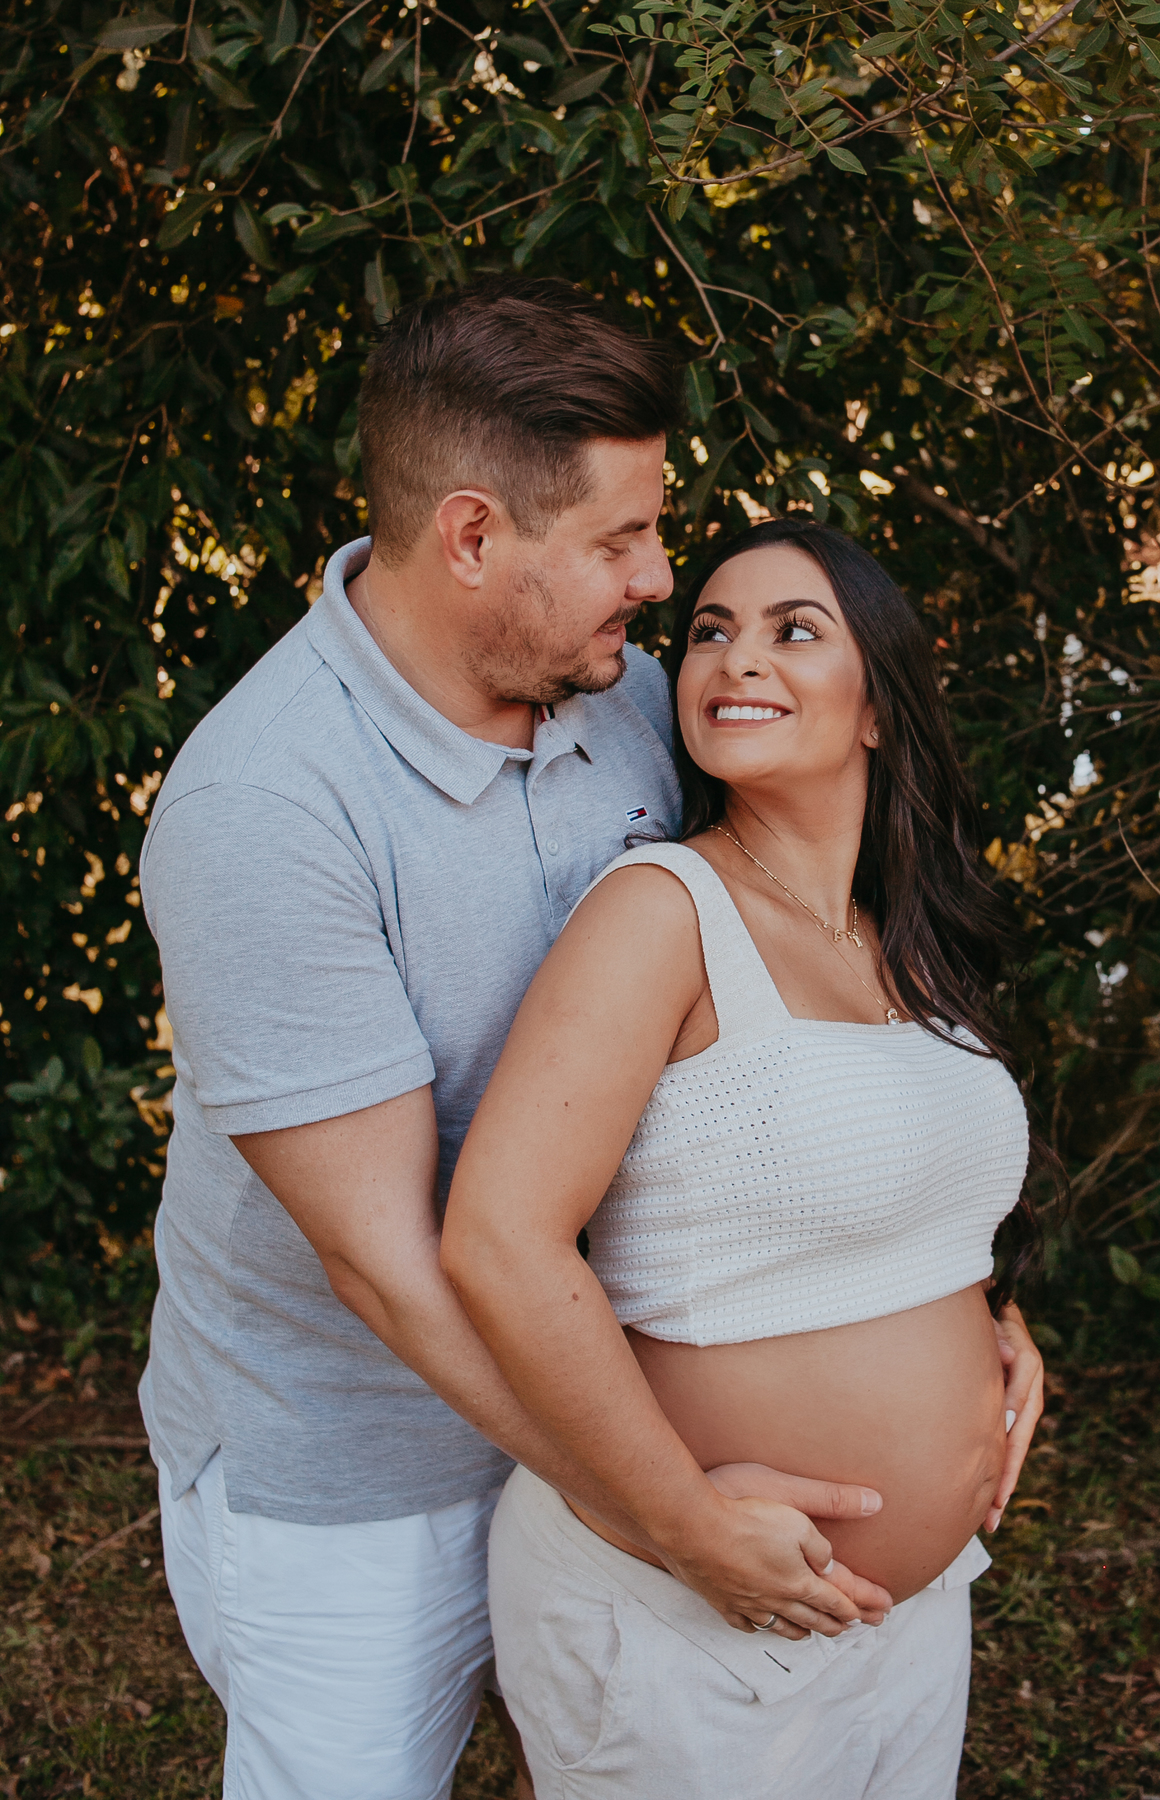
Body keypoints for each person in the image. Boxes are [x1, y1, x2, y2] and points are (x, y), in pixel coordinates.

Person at [137, 278, 697, 1800]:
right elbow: (385, 1261)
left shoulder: (629, 694)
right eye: (617, 541)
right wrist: (664, 1509)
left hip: (606, 1406)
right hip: (360, 1480)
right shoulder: (267, 809)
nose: (657, 578)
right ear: (470, 536)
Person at [442, 518, 1048, 1800]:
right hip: (689, 1607)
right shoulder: (662, 911)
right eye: (710, 630)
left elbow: (905, 1193)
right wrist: (688, 1523)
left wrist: (987, 1317)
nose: (734, 660)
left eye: (793, 631)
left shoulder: (908, 943)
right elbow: (500, 1239)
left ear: (881, 706)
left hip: (910, 1617)